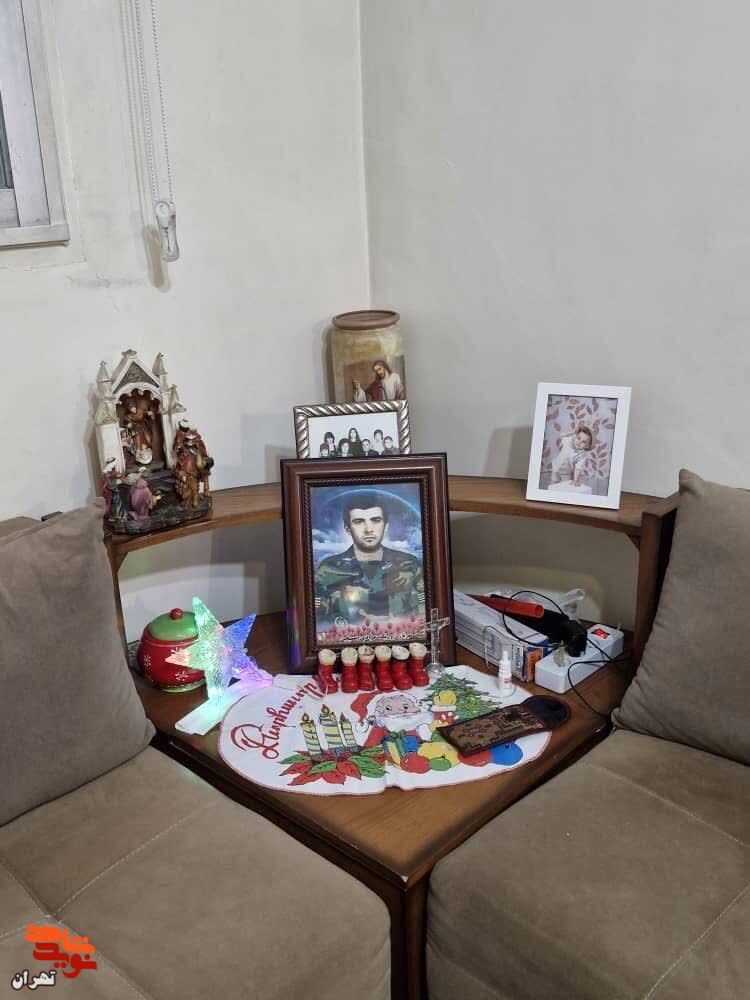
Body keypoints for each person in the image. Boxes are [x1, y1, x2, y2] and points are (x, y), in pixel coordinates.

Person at [314, 493, 425, 628]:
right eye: (359, 522)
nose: (368, 529)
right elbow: (317, 623)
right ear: (348, 529)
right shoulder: (328, 569)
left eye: (376, 520)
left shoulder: (409, 565)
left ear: (386, 526)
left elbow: (423, 616)